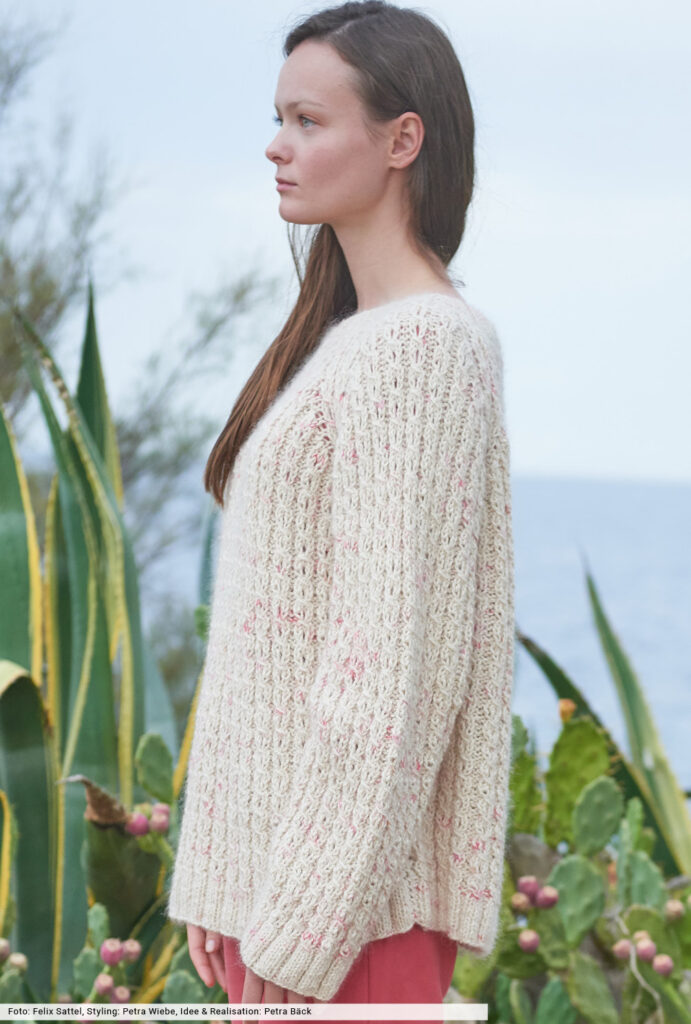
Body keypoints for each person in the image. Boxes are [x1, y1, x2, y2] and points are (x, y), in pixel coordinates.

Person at [166, 0, 516, 1015]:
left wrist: (306, 916)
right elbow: (273, 648)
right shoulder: (355, 341)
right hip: (295, 905)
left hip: (348, 926)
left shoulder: (423, 349)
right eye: (279, 119)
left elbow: (392, 671)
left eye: (309, 121)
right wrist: (224, 870)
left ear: (402, 141)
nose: (276, 146)